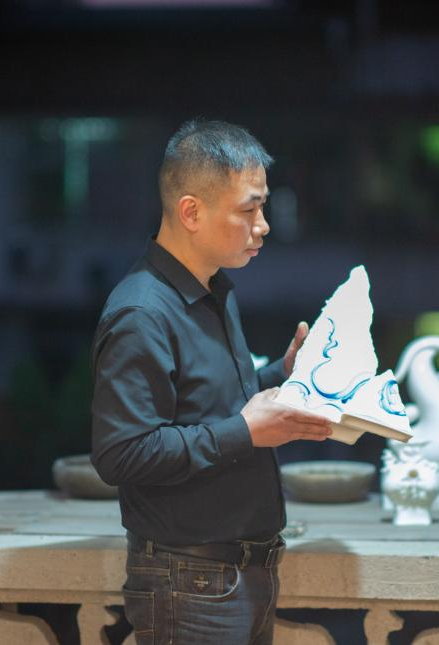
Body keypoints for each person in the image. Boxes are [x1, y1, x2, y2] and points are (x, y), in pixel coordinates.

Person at [91, 119, 332, 644]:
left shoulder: (212, 289)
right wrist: (245, 433)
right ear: (191, 212)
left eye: (263, 207)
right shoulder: (141, 312)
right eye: (249, 210)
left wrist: (282, 375)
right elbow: (120, 454)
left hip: (239, 571)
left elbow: (210, 405)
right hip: (189, 577)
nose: (263, 225)